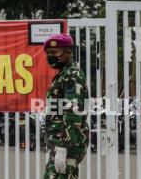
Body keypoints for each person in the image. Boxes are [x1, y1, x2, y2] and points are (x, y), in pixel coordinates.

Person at [43, 33, 89, 179]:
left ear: (68, 52)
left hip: (67, 143)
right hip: (62, 141)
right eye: (48, 53)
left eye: (54, 52)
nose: (50, 56)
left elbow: (73, 112)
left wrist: (63, 147)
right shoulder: (63, 74)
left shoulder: (71, 74)